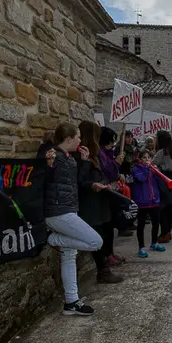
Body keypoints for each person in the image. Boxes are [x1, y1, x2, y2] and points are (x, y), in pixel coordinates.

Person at [43, 123, 104, 316]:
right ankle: (52, 239)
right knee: (95, 242)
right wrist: (48, 162)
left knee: (69, 256)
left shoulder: (70, 158)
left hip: (70, 208)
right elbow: (42, 176)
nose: (80, 140)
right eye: (77, 137)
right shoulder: (51, 155)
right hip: (58, 211)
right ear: (69, 139)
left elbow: (76, 182)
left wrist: (84, 162)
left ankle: (72, 302)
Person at [75, 122, 124, 284]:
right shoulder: (81, 155)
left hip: (100, 200)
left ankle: (104, 267)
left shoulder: (94, 154)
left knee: (104, 232)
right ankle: (103, 271)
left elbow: (104, 173)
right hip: (91, 203)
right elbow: (81, 180)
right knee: (98, 236)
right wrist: (93, 184)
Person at [99, 127, 133, 238]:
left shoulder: (107, 152)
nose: (112, 143)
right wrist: (116, 163)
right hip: (105, 188)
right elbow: (108, 172)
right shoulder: (101, 153)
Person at [131, 150, 166, 258]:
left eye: (149, 157)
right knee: (141, 225)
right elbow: (141, 179)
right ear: (140, 159)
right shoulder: (136, 169)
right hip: (142, 201)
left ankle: (154, 243)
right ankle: (141, 247)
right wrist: (147, 169)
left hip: (154, 200)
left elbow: (160, 181)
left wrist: (157, 172)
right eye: (144, 157)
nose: (147, 160)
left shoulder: (153, 168)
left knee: (156, 222)